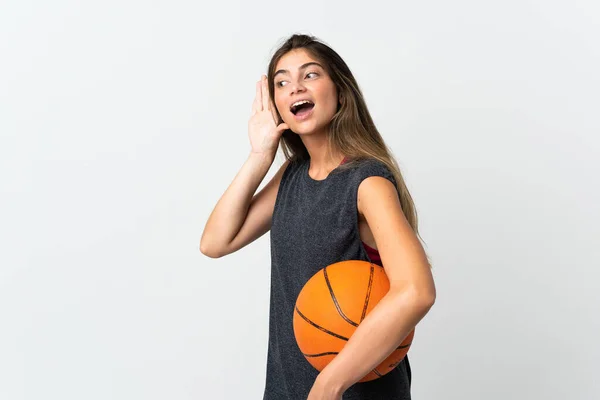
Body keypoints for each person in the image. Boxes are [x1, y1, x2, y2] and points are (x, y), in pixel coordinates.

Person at [200, 33, 436, 400]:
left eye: (310, 75)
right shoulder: (293, 174)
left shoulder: (367, 182)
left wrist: (329, 384)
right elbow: (215, 242)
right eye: (282, 82)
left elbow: (416, 291)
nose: (295, 87)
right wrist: (260, 155)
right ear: (277, 105)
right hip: (287, 389)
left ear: (340, 92)